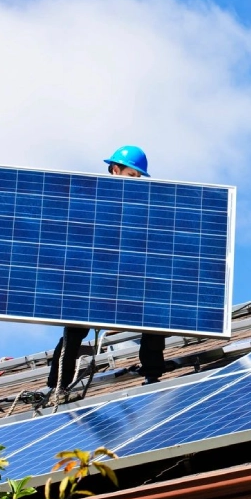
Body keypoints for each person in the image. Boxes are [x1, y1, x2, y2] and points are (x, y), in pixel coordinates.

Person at [46, 146, 167, 390]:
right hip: (94, 273)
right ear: (115, 169)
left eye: (138, 177)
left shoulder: (144, 205)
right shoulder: (91, 198)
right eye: (132, 175)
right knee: (76, 326)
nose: (136, 181)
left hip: (128, 274)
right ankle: (58, 383)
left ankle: (152, 373)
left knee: (154, 314)